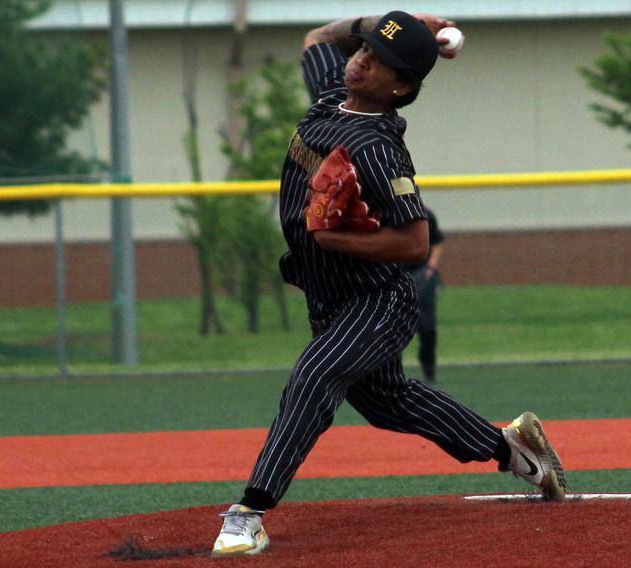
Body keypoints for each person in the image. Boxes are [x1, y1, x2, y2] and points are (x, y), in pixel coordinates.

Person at [211, 11, 566, 558]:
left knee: (315, 376)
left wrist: (338, 241)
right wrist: (375, 22)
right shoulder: (335, 93)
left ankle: (250, 512)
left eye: (379, 59)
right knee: (387, 402)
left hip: (378, 300)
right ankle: (514, 449)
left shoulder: (379, 149)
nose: (363, 57)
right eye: (367, 48)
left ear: (400, 87)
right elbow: (315, 39)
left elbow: (415, 243)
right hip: (331, 300)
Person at [403, 208, 444, 383]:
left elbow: (437, 240)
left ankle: (429, 371)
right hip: (399, 277)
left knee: (427, 328)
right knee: (393, 329)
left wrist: (432, 265)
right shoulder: (390, 212)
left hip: (422, 275)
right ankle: (388, 374)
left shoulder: (425, 215)